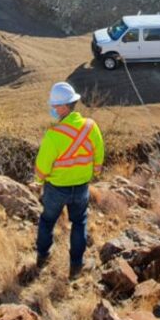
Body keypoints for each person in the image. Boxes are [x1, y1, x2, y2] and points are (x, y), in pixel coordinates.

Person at [34, 81, 105, 279]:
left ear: (65, 106)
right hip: (81, 186)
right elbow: (98, 152)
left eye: (55, 106)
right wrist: (96, 172)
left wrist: (39, 182)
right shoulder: (91, 126)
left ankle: (42, 257)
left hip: (56, 188)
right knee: (79, 222)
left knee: (47, 221)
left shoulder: (54, 135)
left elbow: (42, 166)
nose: (53, 109)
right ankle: (76, 266)